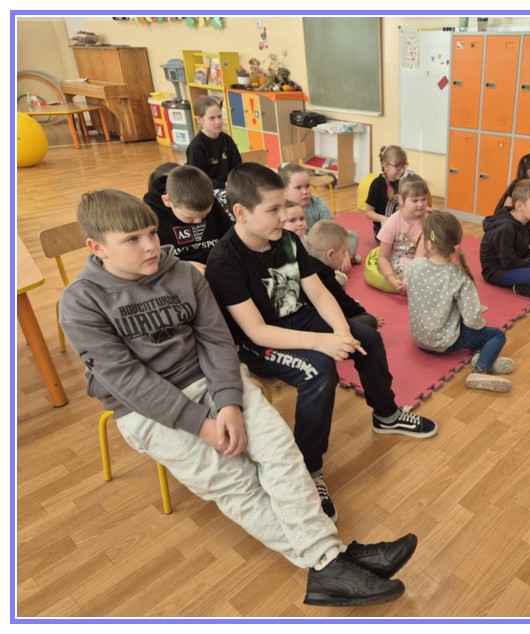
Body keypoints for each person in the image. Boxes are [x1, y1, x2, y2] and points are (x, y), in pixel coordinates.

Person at [59, 189, 419, 607]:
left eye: (152, 233)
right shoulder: (81, 301)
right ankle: (330, 559)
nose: (151, 246)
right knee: (237, 482)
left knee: (281, 451)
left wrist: (229, 401)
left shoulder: (183, 274)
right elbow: (127, 380)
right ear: (97, 248)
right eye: (132, 240)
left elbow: (215, 340)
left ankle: (329, 562)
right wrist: (200, 424)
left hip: (215, 380)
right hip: (147, 410)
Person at [204, 164, 438, 521]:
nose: (284, 216)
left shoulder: (286, 240)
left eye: (283, 205)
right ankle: (309, 468)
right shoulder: (225, 261)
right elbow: (256, 332)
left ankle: (386, 415)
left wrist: (342, 333)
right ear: (241, 212)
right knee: (320, 370)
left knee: (366, 338)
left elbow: (318, 293)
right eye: (273, 209)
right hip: (260, 342)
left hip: (299, 318)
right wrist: (322, 343)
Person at [408, 211, 514, 393]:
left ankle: (481, 355)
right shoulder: (459, 276)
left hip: (420, 338)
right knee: (496, 335)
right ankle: (481, 369)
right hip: (445, 343)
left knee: (464, 324)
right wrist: (481, 324)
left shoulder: (414, 266)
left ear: (428, 244)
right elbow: (472, 320)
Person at [143, 163, 233, 273]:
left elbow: (229, 237)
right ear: (167, 201)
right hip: (175, 270)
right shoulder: (150, 214)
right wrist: (181, 266)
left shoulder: (208, 200)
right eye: (189, 217)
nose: (198, 221)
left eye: (205, 215)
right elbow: (149, 258)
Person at [278, 162, 360, 271]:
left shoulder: (318, 204)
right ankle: (334, 263)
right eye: (298, 187)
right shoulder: (280, 208)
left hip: (321, 245)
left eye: (307, 186)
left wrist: (345, 254)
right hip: (297, 249)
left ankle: (343, 258)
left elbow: (331, 232)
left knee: (352, 236)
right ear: (285, 190)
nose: (305, 192)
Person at [307, 220, 381, 330]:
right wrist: (363, 313)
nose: (345, 257)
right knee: (369, 322)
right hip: (317, 325)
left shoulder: (306, 264)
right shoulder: (324, 275)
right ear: (330, 254)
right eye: (343, 252)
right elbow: (345, 304)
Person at [374, 174, 430, 295]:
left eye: (424, 199)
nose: (421, 204)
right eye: (415, 200)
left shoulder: (427, 221)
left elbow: (420, 255)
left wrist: (409, 277)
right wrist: (391, 279)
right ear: (401, 200)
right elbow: (382, 257)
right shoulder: (393, 222)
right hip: (398, 259)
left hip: (419, 259)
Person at [186, 96, 242, 192]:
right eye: (212, 118)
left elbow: (237, 167)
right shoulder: (196, 147)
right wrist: (223, 184)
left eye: (220, 116)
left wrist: (235, 182)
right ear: (199, 120)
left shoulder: (227, 140)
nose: (218, 122)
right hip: (208, 191)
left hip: (230, 187)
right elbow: (198, 181)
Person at [365, 145, 410, 240]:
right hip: (383, 230)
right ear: (385, 166)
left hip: (402, 227)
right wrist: (382, 219)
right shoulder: (377, 184)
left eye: (404, 166)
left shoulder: (404, 182)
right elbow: (368, 212)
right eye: (397, 166)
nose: (402, 170)